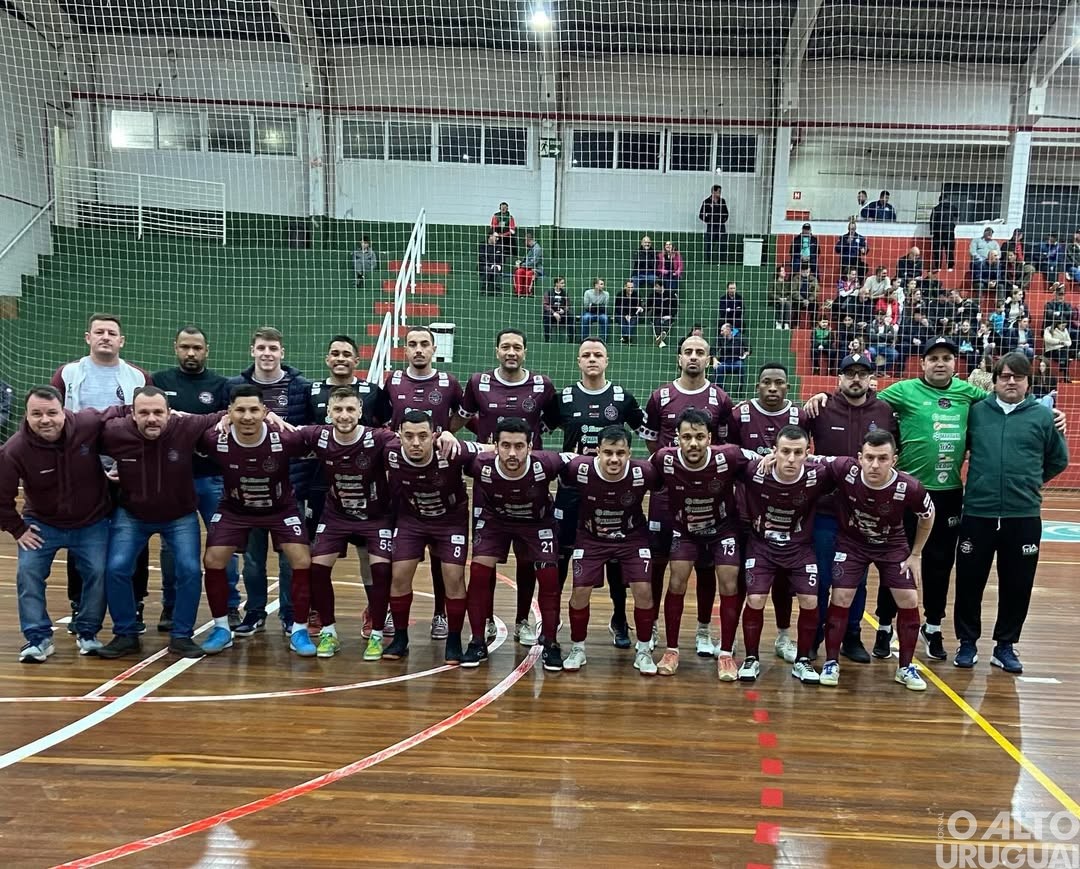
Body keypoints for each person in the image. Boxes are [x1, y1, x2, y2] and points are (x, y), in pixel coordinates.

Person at [953, 352, 1068, 673]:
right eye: (1004, 376)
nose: (1011, 381)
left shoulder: (1043, 417)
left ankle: (1005, 645)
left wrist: (1028, 482)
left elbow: (1058, 460)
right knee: (969, 581)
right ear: (995, 381)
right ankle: (967, 643)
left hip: (1023, 516)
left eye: (1017, 376)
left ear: (1028, 381)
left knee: (1018, 583)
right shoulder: (976, 413)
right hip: (978, 512)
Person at [96, 386, 226, 658]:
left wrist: (245, 416)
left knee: (190, 570)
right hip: (132, 514)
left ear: (170, 413)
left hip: (179, 515)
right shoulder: (115, 432)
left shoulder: (186, 425)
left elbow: (224, 414)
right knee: (116, 568)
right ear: (132, 414)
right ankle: (125, 634)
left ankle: (181, 636)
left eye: (158, 412)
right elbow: (80, 434)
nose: (152, 418)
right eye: (144, 413)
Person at [0, 386, 120, 661]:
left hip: (92, 521)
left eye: (52, 413)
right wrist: (18, 529)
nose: (45, 420)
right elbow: (1, 498)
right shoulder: (13, 450)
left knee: (99, 572)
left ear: (64, 412)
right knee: (27, 574)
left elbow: (121, 413)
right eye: (37, 414)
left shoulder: (87, 424)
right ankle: (38, 638)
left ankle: (88, 632)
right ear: (27, 415)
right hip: (42, 524)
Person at [52, 313, 151, 634]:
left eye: (112, 333)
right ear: (88, 337)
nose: (105, 337)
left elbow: (149, 424)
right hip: (80, 470)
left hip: (128, 470)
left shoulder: (138, 377)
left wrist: (129, 463)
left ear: (122, 341)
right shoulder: (68, 374)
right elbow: (53, 421)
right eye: (99, 332)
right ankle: (80, 603)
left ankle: (134, 604)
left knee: (134, 536)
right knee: (80, 536)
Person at [459, 329, 559, 644]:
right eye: (505, 347)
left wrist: (522, 447)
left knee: (528, 559)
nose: (511, 352)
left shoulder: (542, 385)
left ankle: (522, 621)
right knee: (484, 557)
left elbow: (552, 421)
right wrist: (487, 448)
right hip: (489, 483)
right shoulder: (478, 383)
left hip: (529, 480)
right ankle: (485, 620)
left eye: (517, 347)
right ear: (496, 351)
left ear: (525, 352)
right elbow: (464, 420)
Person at [200, 385, 315, 656]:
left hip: (280, 507)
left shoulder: (285, 437)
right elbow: (181, 432)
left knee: (302, 560)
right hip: (235, 507)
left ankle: (298, 629)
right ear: (229, 412)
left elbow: (317, 441)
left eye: (254, 410)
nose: (247, 416)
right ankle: (221, 628)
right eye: (240, 410)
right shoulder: (214, 438)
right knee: (213, 560)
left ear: (265, 411)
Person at [640, 335, 734, 656]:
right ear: (679, 358)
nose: (693, 357)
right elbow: (653, 443)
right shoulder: (660, 396)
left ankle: (704, 630)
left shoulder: (720, 399)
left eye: (700, 353)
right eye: (688, 352)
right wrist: (672, 470)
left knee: (706, 565)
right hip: (667, 496)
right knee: (658, 562)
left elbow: (722, 444)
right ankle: (651, 625)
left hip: (706, 498)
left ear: (709, 359)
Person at [819, 431, 936, 691]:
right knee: (841, 597)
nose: (874, 465)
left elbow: (928, 515)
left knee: (910, 600)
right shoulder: (843, 469)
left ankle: (905, 668)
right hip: (852, 543)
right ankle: (831, 662)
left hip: (892, 545)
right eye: (869, 457)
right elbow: (809, 460)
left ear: (894, 459)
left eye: (882, 458)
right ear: (859, 458)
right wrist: (771, 458)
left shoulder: (910, 486)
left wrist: (916, 554)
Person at [804, 353, 899, 662]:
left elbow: (895, 454)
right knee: (821, 577)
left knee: (856, 580)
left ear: (871, 378)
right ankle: (814, 635)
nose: (856, 379)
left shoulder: (884, 411)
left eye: (862, 373)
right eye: (850, 373)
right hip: (826, 512)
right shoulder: (820, 408)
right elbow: (791, 437)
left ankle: (852, 636)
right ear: (839, 378)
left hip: (865, 517)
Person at [553, 339, 644, 648]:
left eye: (598, 355)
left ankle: (619, 619)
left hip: (612, 493)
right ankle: (550, 619)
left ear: (607, 360)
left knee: (615, 558)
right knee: (562, 556)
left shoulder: (621, 398)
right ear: (578, 361)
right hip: (571, 491)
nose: (592, 359)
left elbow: (647, 431)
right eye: (586, 355)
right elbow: (536, 431)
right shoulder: (564, 398)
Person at [650, 409, 751, 679]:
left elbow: (758, 461)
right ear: (676, 439)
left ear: (710, 438)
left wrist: (771, 459)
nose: (693, 443)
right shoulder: (664, 459)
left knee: (729, 580)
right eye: (686, 437)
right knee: (676, 580)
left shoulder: (728, 456)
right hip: (685, 531)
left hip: (722, 530)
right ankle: (671, 650)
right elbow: (642, 475)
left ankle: (726, 653)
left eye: (699, 437)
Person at [226, 327, 313, 639]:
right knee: (252, 560)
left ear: (282, 353)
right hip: (248, 489)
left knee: (290, 558)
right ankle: (255, 612)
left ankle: (290, 615)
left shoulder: (301, 387)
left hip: (290, 489)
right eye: (261, 347)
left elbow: (307, 436)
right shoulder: (234, 386)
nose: (267, 353)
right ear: (252, 350)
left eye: (273, 348)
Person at [463, 418, 569, 670]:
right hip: (495, 521)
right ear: (494, 445)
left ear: (530, 446)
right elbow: (454, 448)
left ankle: (551, 642)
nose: (512, 453)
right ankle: (477, 641)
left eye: (519, 446)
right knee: (478, 572)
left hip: (537, 523)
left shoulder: (546, 463)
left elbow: (576, 458)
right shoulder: (480, 464)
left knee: (550, 577)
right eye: (506, 445)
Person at [301, 387, 397, 661]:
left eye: (350, 409)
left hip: (375, 516)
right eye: (339, 410)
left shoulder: (378, 438)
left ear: (361, 412)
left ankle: (377, 633)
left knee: (380, 570)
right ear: (328, 413)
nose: (344, 416)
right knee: (317, 568)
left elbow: (410, 443)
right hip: (337, 515)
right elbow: (284, 434)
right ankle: (329, 631)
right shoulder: (317, 435)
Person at [737, 426, 837, 684]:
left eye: (797, 452)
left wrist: (817, 460)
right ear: (775, 452)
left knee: (810, 600)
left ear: (807, 453)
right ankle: (751, 658)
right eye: (785, 452)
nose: (791, 459)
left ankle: (802, 661)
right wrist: (757, 459)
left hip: (799, 549)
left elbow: (849, 464)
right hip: (762, 547)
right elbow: (728, 455)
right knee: (756, 598)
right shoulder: (754, 472)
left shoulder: (818, 475)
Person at [384, 326, 466, 640]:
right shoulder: (392, 381)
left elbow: (464, 416)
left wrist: (447, 433)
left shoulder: (448, 383)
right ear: (405, 349)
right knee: (401, 554)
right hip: (402, 481)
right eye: (412, 344)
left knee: (441, 557)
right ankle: (394, 610)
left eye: (424, 344)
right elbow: (381, 421)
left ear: (434, 349)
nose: (418, 349)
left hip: (442, 479)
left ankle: (440, 613)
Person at [152, 325, 236, 631]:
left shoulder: (220, 385)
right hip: (172, 481)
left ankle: (230, 605)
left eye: (197, 348)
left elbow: (226, 424)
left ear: (206, 351)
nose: (191, 353)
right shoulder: (159, 381)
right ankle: (169, 607)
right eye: (185, 347)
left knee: (223, 543)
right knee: (170, 548)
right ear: (175, 347)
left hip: (212, 478)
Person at [560, 426, 662, 675]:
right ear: (597, 451)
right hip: (591, 537)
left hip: (632, 537)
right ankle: (578, 648)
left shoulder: (644, 472)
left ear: (629, 452)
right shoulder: (579, 469)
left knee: (643, 590)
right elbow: (549, 461)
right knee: (580, 591)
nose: (614, 459)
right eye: (607, 452)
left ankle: (644, 650)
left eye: (620, 452)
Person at [382, 411, 481, 661]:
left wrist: (453, 436)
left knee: (454, 578)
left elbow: (492, 447)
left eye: (423, 436)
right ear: (399, 436)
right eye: (409, 436)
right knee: (399, 575)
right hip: (412, 520)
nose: (416, 443)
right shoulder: (390, 452)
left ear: (434, 435)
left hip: (450, 522)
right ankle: (400, 638)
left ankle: (454, 639)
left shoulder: (451, 450)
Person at [727, 364, 808, 665]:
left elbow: (807, 455)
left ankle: (783, 637)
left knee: (784, 583)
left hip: (787, 516)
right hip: (746, 511)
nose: (772, 388)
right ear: (757, 385)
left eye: (779, 383)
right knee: (742, 581)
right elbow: (730, 452)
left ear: (788, 387)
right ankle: (734, 638)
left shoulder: (800, 416)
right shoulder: (740, 414)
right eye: (766, 383)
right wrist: (761, 458)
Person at [713, 323, 751, 387]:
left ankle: (740, 388)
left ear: (728, 329)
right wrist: (714, 360)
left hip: (737, 361)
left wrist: (746, 353)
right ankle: (719, 389)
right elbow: (713, 349)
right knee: (718, 367)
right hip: (724, 362)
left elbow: (749, 348)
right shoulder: (720, 338)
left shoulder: (740, 336)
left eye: (722, 330)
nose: (721, 332)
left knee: (740, 366)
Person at [698, 184, 729, 262]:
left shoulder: (722, 201)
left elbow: (726, 213)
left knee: (722, 245)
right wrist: (708, 220)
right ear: (713, 192)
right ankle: (709, 261)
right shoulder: (706, 202)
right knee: (709, 245)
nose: (720, 193)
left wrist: (723, 220)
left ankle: (722, 262)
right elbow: (701, 215)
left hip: (721, 227)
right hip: (711, 227)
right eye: (719, 191)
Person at [929, 194, 959, 272]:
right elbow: (957, 216)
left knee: (937, 250)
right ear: (947, 199)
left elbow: (932, 220)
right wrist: (953, 225)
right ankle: (950, 266)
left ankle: (938, 266)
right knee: (949, 250)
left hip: (938, 232)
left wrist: (931, 231)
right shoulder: (953, 208)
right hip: (949, 232)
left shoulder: (936, 208)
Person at [542, 277, 573, 343]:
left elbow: (568, 304)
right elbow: (545, 305)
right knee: (546, 317)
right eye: (562, 283)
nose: (563, 285)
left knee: (571, 316)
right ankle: (547, 340)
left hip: (562, 314)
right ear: (556, 284)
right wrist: (554, 313)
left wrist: (564, 310)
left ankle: (571, 340)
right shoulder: (549, 292)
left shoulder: (565, 293)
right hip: (552, 314)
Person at [513, 231, 543, 297]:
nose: (524, 243)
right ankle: (519, 292)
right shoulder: (529, 249)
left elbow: (534, 262)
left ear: (528, 240)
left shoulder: (537, 249)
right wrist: (520, 263)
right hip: (526, 268)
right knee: (519, 271)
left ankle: (527, 292)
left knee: (528, 274)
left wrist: (521, 265)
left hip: (535, 269)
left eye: (525, 241)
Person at [650, 280, 678, 349]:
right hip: (656, 315)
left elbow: (676, 307)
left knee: (668, 323)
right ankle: (660, 339)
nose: (654, 288)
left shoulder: (670, 295)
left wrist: (670, 315)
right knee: (656, 322)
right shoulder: (652, 295)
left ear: (661, 287)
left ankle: (663, 334)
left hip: (668, 316)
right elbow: (648, 306)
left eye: (656, 286)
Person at [478, 230, 504, 295]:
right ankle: (484, 290)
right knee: (488, 269)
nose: (497, 239)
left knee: (495, 269)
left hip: (496, 266)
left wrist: (499, 265)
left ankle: (497, 291)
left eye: (498, 237)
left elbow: (502, 258)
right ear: (490, 236)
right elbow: (481, 257)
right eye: (496, 237)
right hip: (484, 265)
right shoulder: (482, 245)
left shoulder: (499, 246)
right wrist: (491, 264)